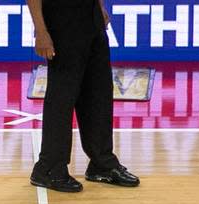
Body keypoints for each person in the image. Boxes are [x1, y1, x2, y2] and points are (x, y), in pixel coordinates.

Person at [27, 0, 139, 193]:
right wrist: (40, 30)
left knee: (98, 90)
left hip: (91, 15)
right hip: (62, 19)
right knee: (62, 94)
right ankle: (49, 168)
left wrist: (100, 6)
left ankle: (101, 163)